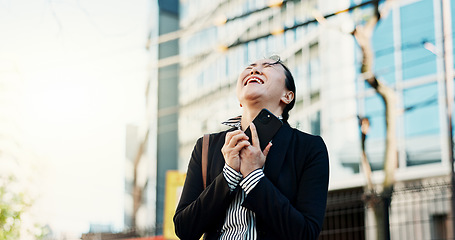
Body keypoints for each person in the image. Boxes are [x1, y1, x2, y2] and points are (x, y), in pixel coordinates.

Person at [173, 56, 329, 240]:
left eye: (268, 66)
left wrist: (254, 176)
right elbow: (184, 228)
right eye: (250, 67)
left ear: (287, 96)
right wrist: (229, 174)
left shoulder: (309, 148)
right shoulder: (207, 146)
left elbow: (306, 234)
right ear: (240, 99)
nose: (254, 70)